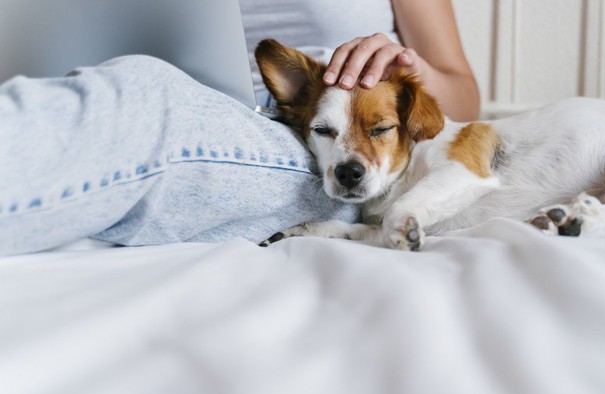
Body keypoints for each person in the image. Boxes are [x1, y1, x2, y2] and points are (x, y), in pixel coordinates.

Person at [0, 0, 480, 256]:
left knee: (144, 101)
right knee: (126, 98)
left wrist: (408, 67)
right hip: (204, 112)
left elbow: (464, 96)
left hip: (320, 144)